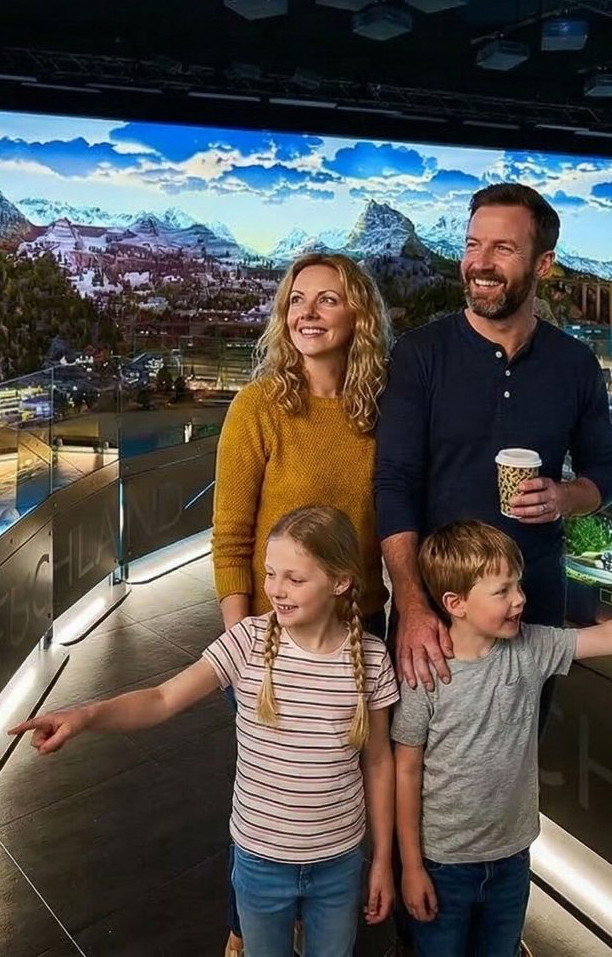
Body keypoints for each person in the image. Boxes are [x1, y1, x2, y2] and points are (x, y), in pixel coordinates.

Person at [11, 505, 399, 957]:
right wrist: (86, 716)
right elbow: (162, 699)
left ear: (340, 581)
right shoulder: (248, 641)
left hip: (339, 861)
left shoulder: (370, 659)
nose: (276, 590)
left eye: (295, 579)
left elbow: (378, 762)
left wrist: (383, 861)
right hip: (259, 861)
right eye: (270, 574)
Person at [393, 520, 612, 957]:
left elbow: (606, 635)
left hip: (511, 857)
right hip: (443, 863)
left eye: (519, 585)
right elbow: (406, 769)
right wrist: (410, 866)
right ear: (456, 602)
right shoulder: (424, 674)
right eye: (502, 591)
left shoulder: (532, 649)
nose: (520, 599)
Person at [375, 182, 612, 691]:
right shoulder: (419, 354)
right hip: (436, 616)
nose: (480, 264)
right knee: (416, 766)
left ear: (543, 264)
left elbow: (606, 472)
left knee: (518, 759)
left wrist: (564, 496)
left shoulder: (575, 365)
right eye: (472, 245)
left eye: (502, 249)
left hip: (534, 607)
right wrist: (412, 606)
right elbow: (393, 484)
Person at [212, 253, 392, 955]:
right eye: (297, 300)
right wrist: (243, 647)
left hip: (356, 633)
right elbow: (230, 533)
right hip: (269, 634)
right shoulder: (257, 406)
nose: (308, 312)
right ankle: (243, 925)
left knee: (336, 781)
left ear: (360, 317)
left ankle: (331, 908)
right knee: (266, 791)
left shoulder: (382, 410)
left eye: (328, 300)